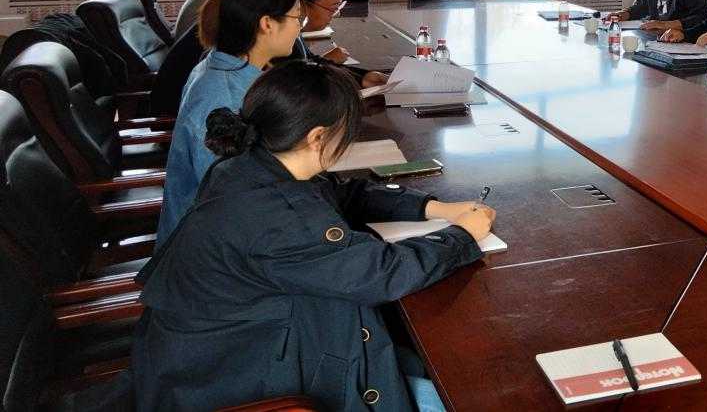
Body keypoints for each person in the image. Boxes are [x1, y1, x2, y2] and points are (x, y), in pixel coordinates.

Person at [132, 61, 495, 411]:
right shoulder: (277, 215)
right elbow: (380, 274)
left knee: (416, 360)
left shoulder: (248, 166)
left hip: (224, 350)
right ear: (317, 137)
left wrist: (434, 208)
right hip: (237, 379)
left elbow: (343, 194)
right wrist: (462, 237)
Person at [157, 0, 303, 242]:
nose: (299, 28)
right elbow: (232, 196)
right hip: (210, 245)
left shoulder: (225, 65)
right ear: (267, 24)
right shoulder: (222, 99)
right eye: (297, 18)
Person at [281, 0, 388, 87]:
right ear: (302, 5)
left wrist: (362, 78)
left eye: (339, 6)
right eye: (334, 8)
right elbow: (301, 83)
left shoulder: (293, 33)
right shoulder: (281, 41)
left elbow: (309, 62)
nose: (337, 14)